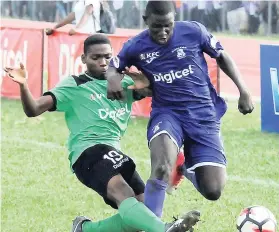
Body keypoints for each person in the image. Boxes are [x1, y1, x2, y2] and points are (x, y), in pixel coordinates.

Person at [4, 34, 200, 232]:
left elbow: (155, 87)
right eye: (95, 57)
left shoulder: (122, 83)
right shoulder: (75, 84)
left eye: (107, 57)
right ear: (83, 59)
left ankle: (85, 229)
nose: (102, 62)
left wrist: (139, 75)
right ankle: (164, 230)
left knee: (142, 211)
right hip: (87, 152)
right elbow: (34, 109)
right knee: (124, 194)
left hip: (113, 152)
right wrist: (23, 85)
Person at [105, 0, 254, 219]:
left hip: (203, 115)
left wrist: (244, 90)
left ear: (175, 19)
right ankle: (154, 225)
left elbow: (221, 55)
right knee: (161, 167)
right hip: (167, 113)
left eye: (168, 25)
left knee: (213, 191)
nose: (163, 32)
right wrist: (113, 81)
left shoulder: (193, 31)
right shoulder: (136, 45)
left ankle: (183, 168)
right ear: (146, 21)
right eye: (156, 27)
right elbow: (114, 66)